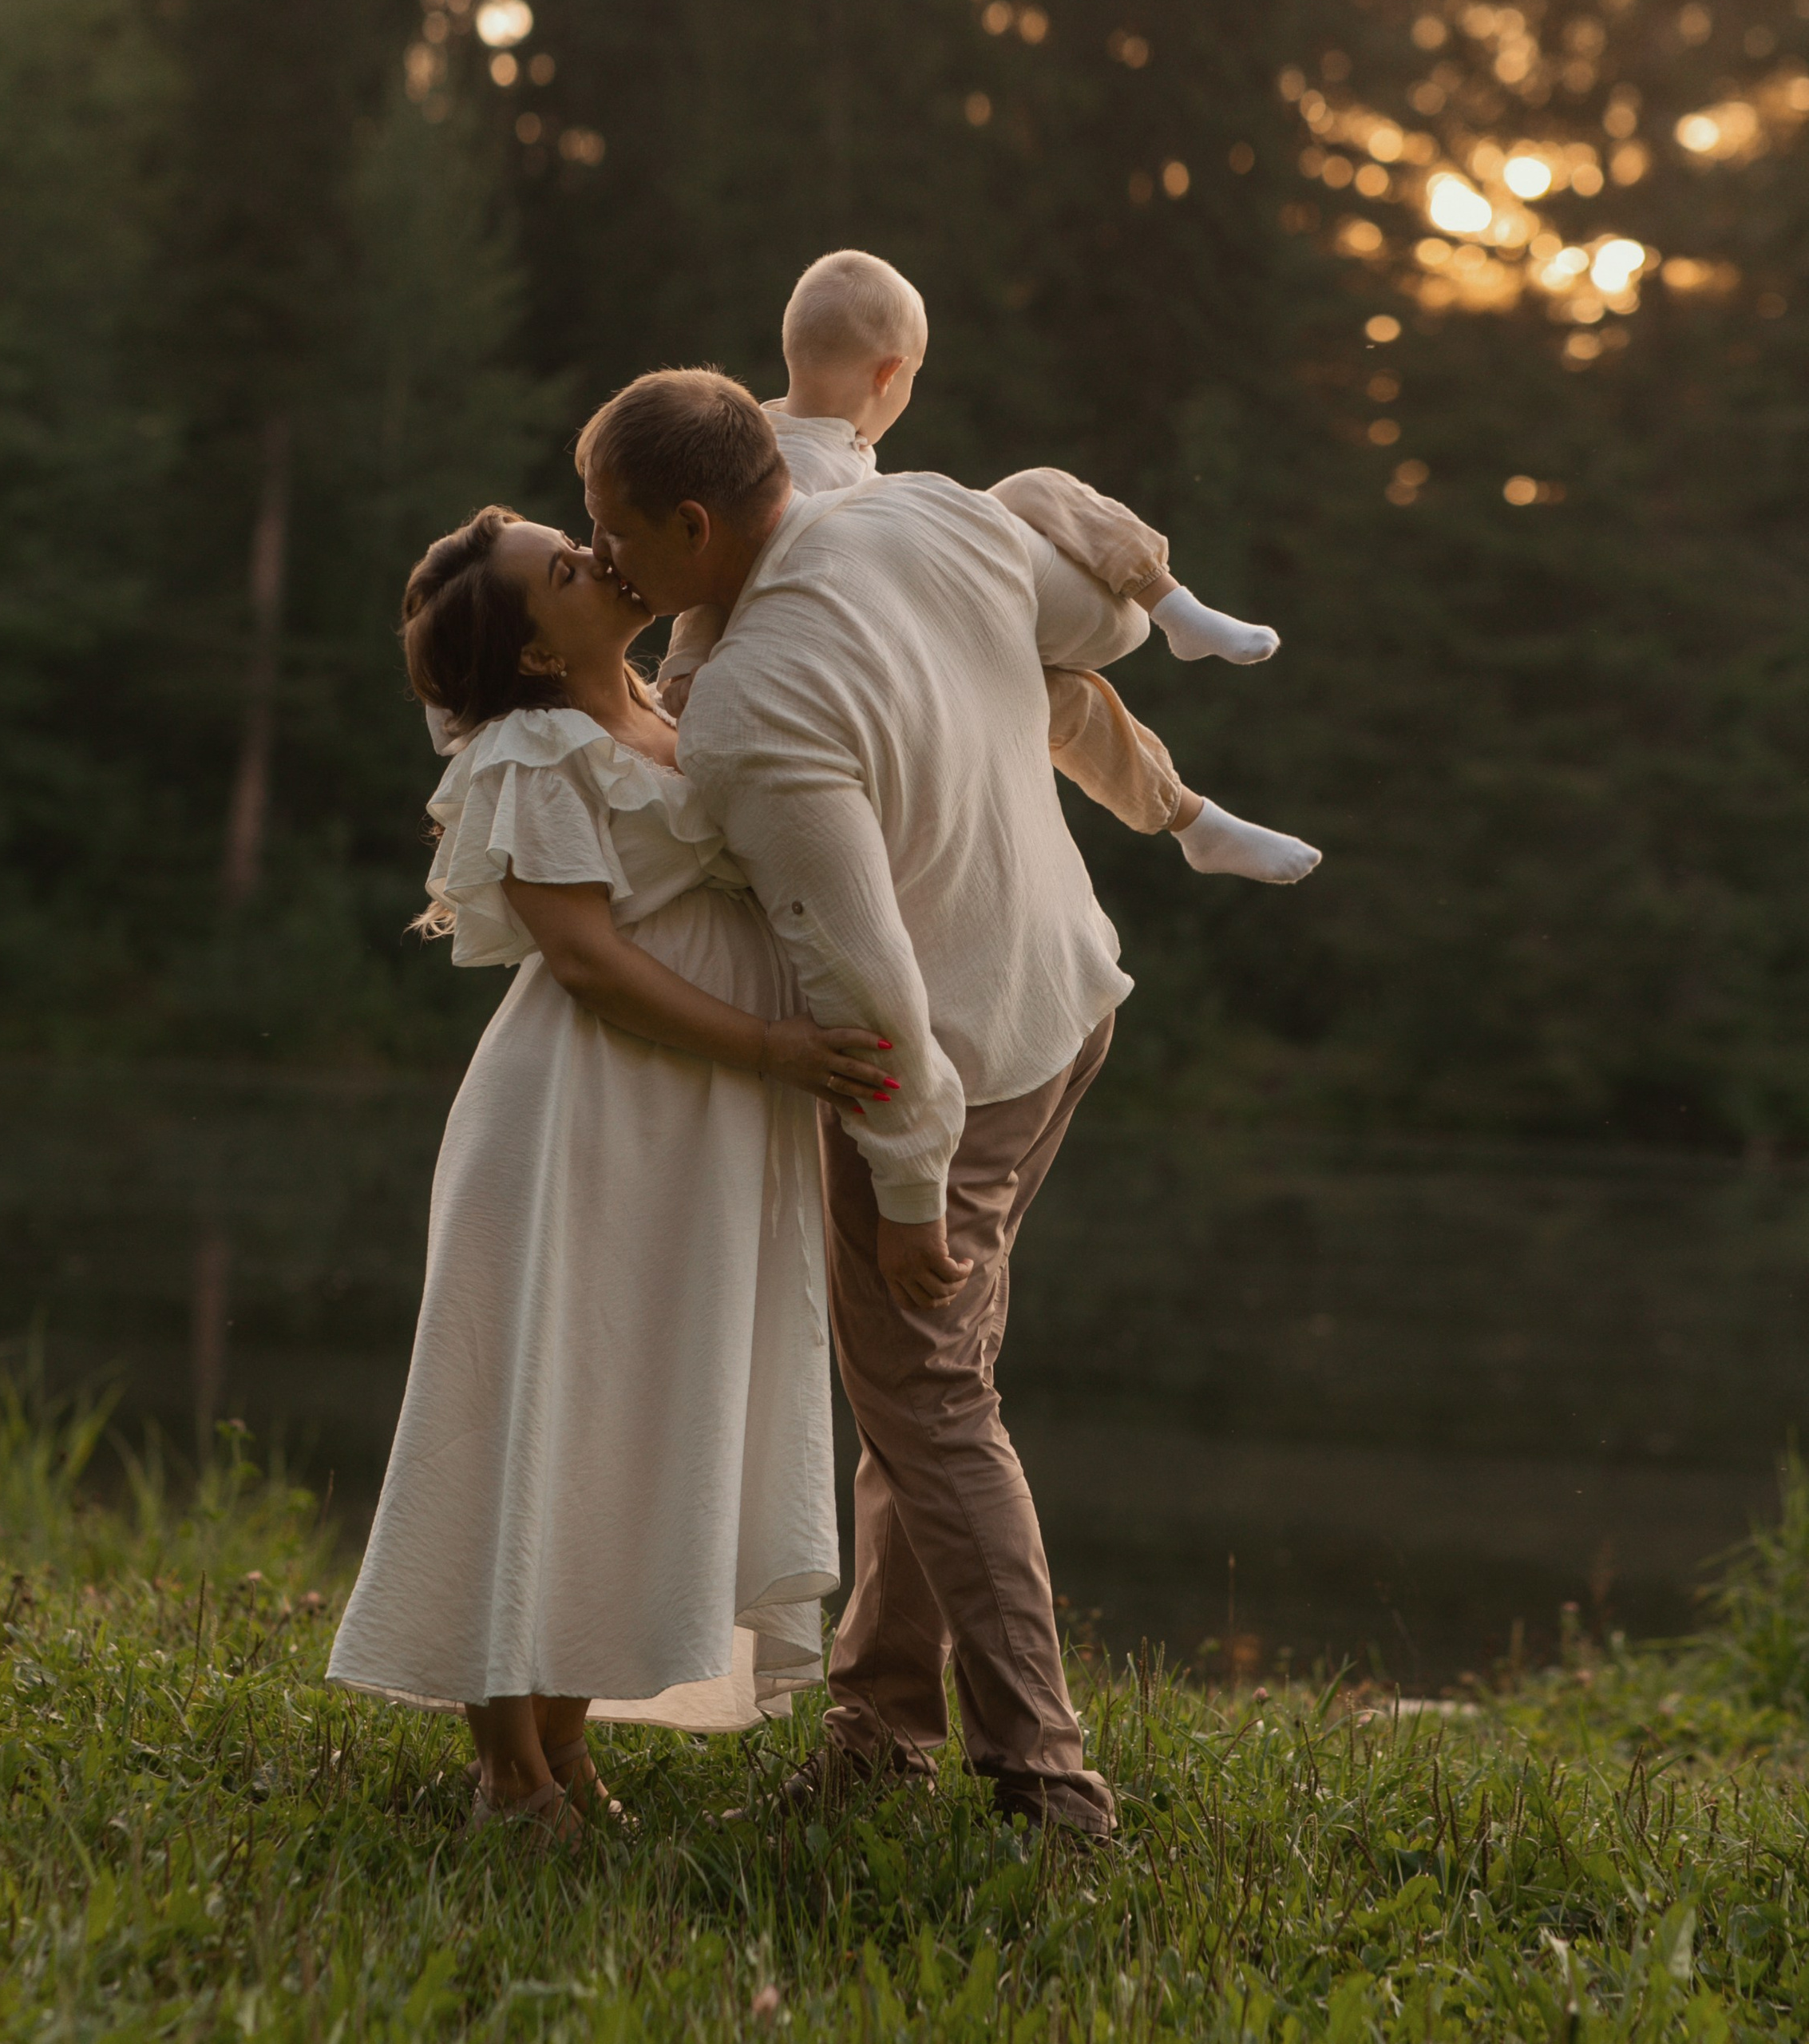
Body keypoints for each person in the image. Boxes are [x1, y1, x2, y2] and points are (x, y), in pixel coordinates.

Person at [581, 367, 1179, 1840]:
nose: (603, 560)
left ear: (697, 523)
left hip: (954, 1056)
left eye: (616, 530)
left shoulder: (755, 706)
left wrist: (910, 1189)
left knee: (930, 1399)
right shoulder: (928, 511)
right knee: (926, 1397)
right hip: (1065, 994)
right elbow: (1086, 633)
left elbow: (865, 981)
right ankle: (881, 1726)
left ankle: (1045, 1784)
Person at [325, 505, 893, 1839]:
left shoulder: (681, 704)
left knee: (639, 1416)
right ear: (534, 651)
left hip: (695, 1127)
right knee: (529, 1409)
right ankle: (506, 1773)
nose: (597, 557)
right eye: (564, 570)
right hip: (577, 1120)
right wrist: (772, 1044)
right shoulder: (532, 752)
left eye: (577, 538)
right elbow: (583, 959)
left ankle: (568, 1743)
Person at [659, 248, 1318, 888]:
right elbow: (718, 579)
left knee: (1055, 658)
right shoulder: (775, 473)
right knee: (1043, 541)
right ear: (889, 373)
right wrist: (685, 672)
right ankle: (1175, 670)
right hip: (895, 650)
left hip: (919, 606)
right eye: (914, 378)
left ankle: (1190, 784)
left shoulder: (820, 444)